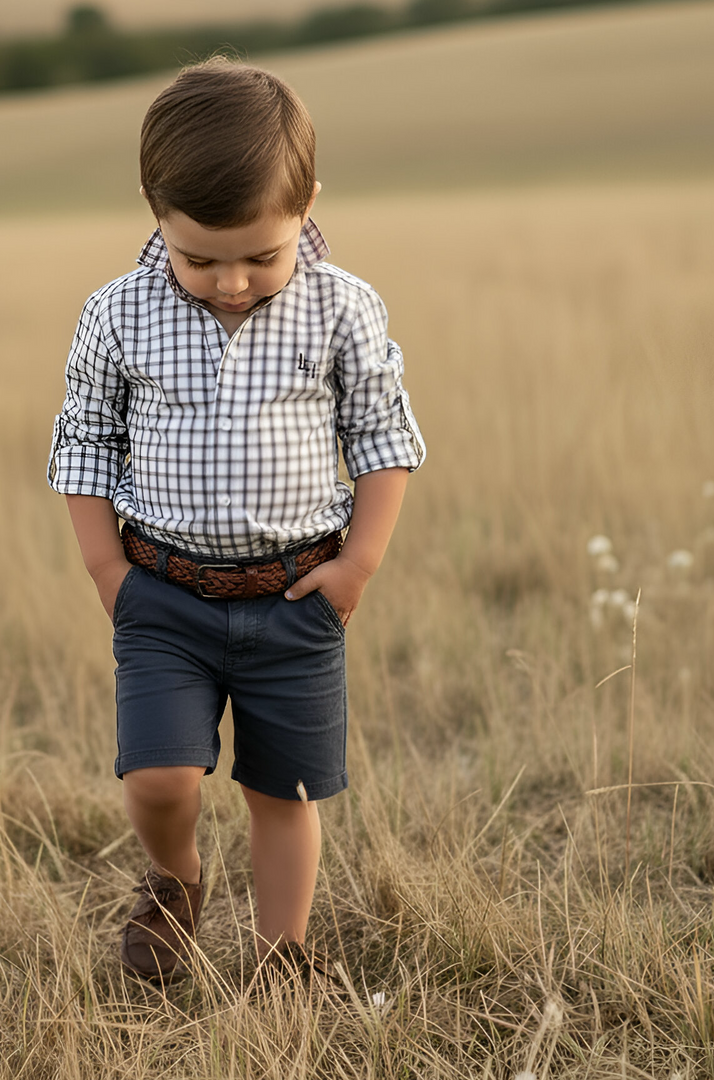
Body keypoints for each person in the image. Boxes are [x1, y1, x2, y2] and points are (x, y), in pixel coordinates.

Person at [48, 58, 425, 984]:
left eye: (262, 255)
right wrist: (109, 575)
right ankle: (176, 879)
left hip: (296, 597)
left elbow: (383, 438)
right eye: (200, 257)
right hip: (163, 596)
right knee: (159, 779)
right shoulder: (116, 315)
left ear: (307, 208)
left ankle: (279, 956)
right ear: (155, 209)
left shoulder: (343, 308)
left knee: (283, 792)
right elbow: (85, 445)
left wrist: (357, 568)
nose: (231, 282)